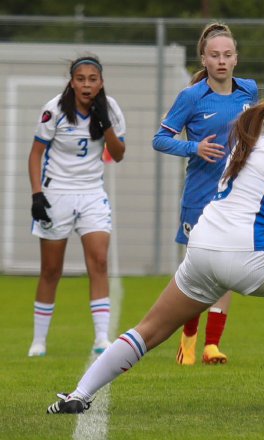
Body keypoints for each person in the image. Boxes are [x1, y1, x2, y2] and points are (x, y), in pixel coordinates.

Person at [47, 90, 264, 415]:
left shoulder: (254, 143)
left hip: (201, 250)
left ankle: (78, 394)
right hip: (246, 254)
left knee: (149, 330)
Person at [153, 22, 258, 365]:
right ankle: (188, 340)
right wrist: (194, 147)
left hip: (235, 196)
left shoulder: (249, 92)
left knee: (226, 265)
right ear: (204, 58)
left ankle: (213, 344)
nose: (222, 61)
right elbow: (160, 138)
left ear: (237, 59)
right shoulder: (191, 97)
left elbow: (254, 133)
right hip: (199, 196)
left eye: (228, 55)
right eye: (215, 55)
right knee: (196, 267)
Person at [27, 55, 126, 358]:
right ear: (72, 81)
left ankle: (100, 339)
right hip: (57, 193)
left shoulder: (110, 108)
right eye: (80, 79)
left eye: (92, 79)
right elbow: (35, 154)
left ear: (101, 82)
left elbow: (118, 154)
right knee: (51, 270)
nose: (86, 84)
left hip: (92, 194)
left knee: (98, 263)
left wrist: (104, 122)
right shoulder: (54, 108)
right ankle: (39, 341)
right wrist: (37, 195)